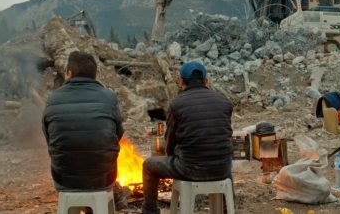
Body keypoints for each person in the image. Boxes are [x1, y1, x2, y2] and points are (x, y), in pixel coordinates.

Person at [142, 61, 233, 214]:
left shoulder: (176, 104)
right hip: (222, 169)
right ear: (206, 81)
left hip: (190, 168)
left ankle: (149, 211)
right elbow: (223, 134)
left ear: (181, 81)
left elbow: (170, 142)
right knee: (222, 163)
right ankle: (226, 209)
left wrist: (171, 156)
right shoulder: (224, 102)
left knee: (148, 166)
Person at [42, 51, 124, 193]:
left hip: (65, 179)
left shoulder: (53, 99)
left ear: (68, 72)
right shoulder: (109, 97)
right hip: (103, 179)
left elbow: (50, 138)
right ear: (95, 74)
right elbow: (118, 134)